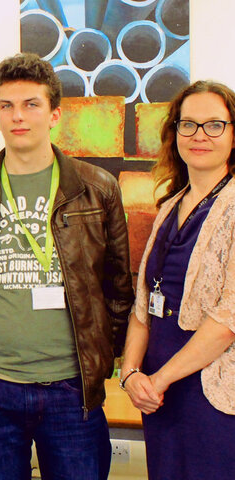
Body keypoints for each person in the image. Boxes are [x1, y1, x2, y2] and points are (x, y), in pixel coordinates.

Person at [0, 53, 134, 479]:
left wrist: (101, 364)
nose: (18, 116)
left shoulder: (97, 189)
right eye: (6, 106)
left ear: (55, 115)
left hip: (72, 389)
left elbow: (119, 287)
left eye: (31, 104)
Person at [120, 80, 235, 479]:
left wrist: (158, 380)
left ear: (234, 134)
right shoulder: (170, 204)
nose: (199, 135)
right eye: (188, 124)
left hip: (212, 394)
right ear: (174, 133)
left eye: (214, 125)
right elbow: (143, 305)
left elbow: (227, 321)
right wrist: (131, 372)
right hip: (158, 396)